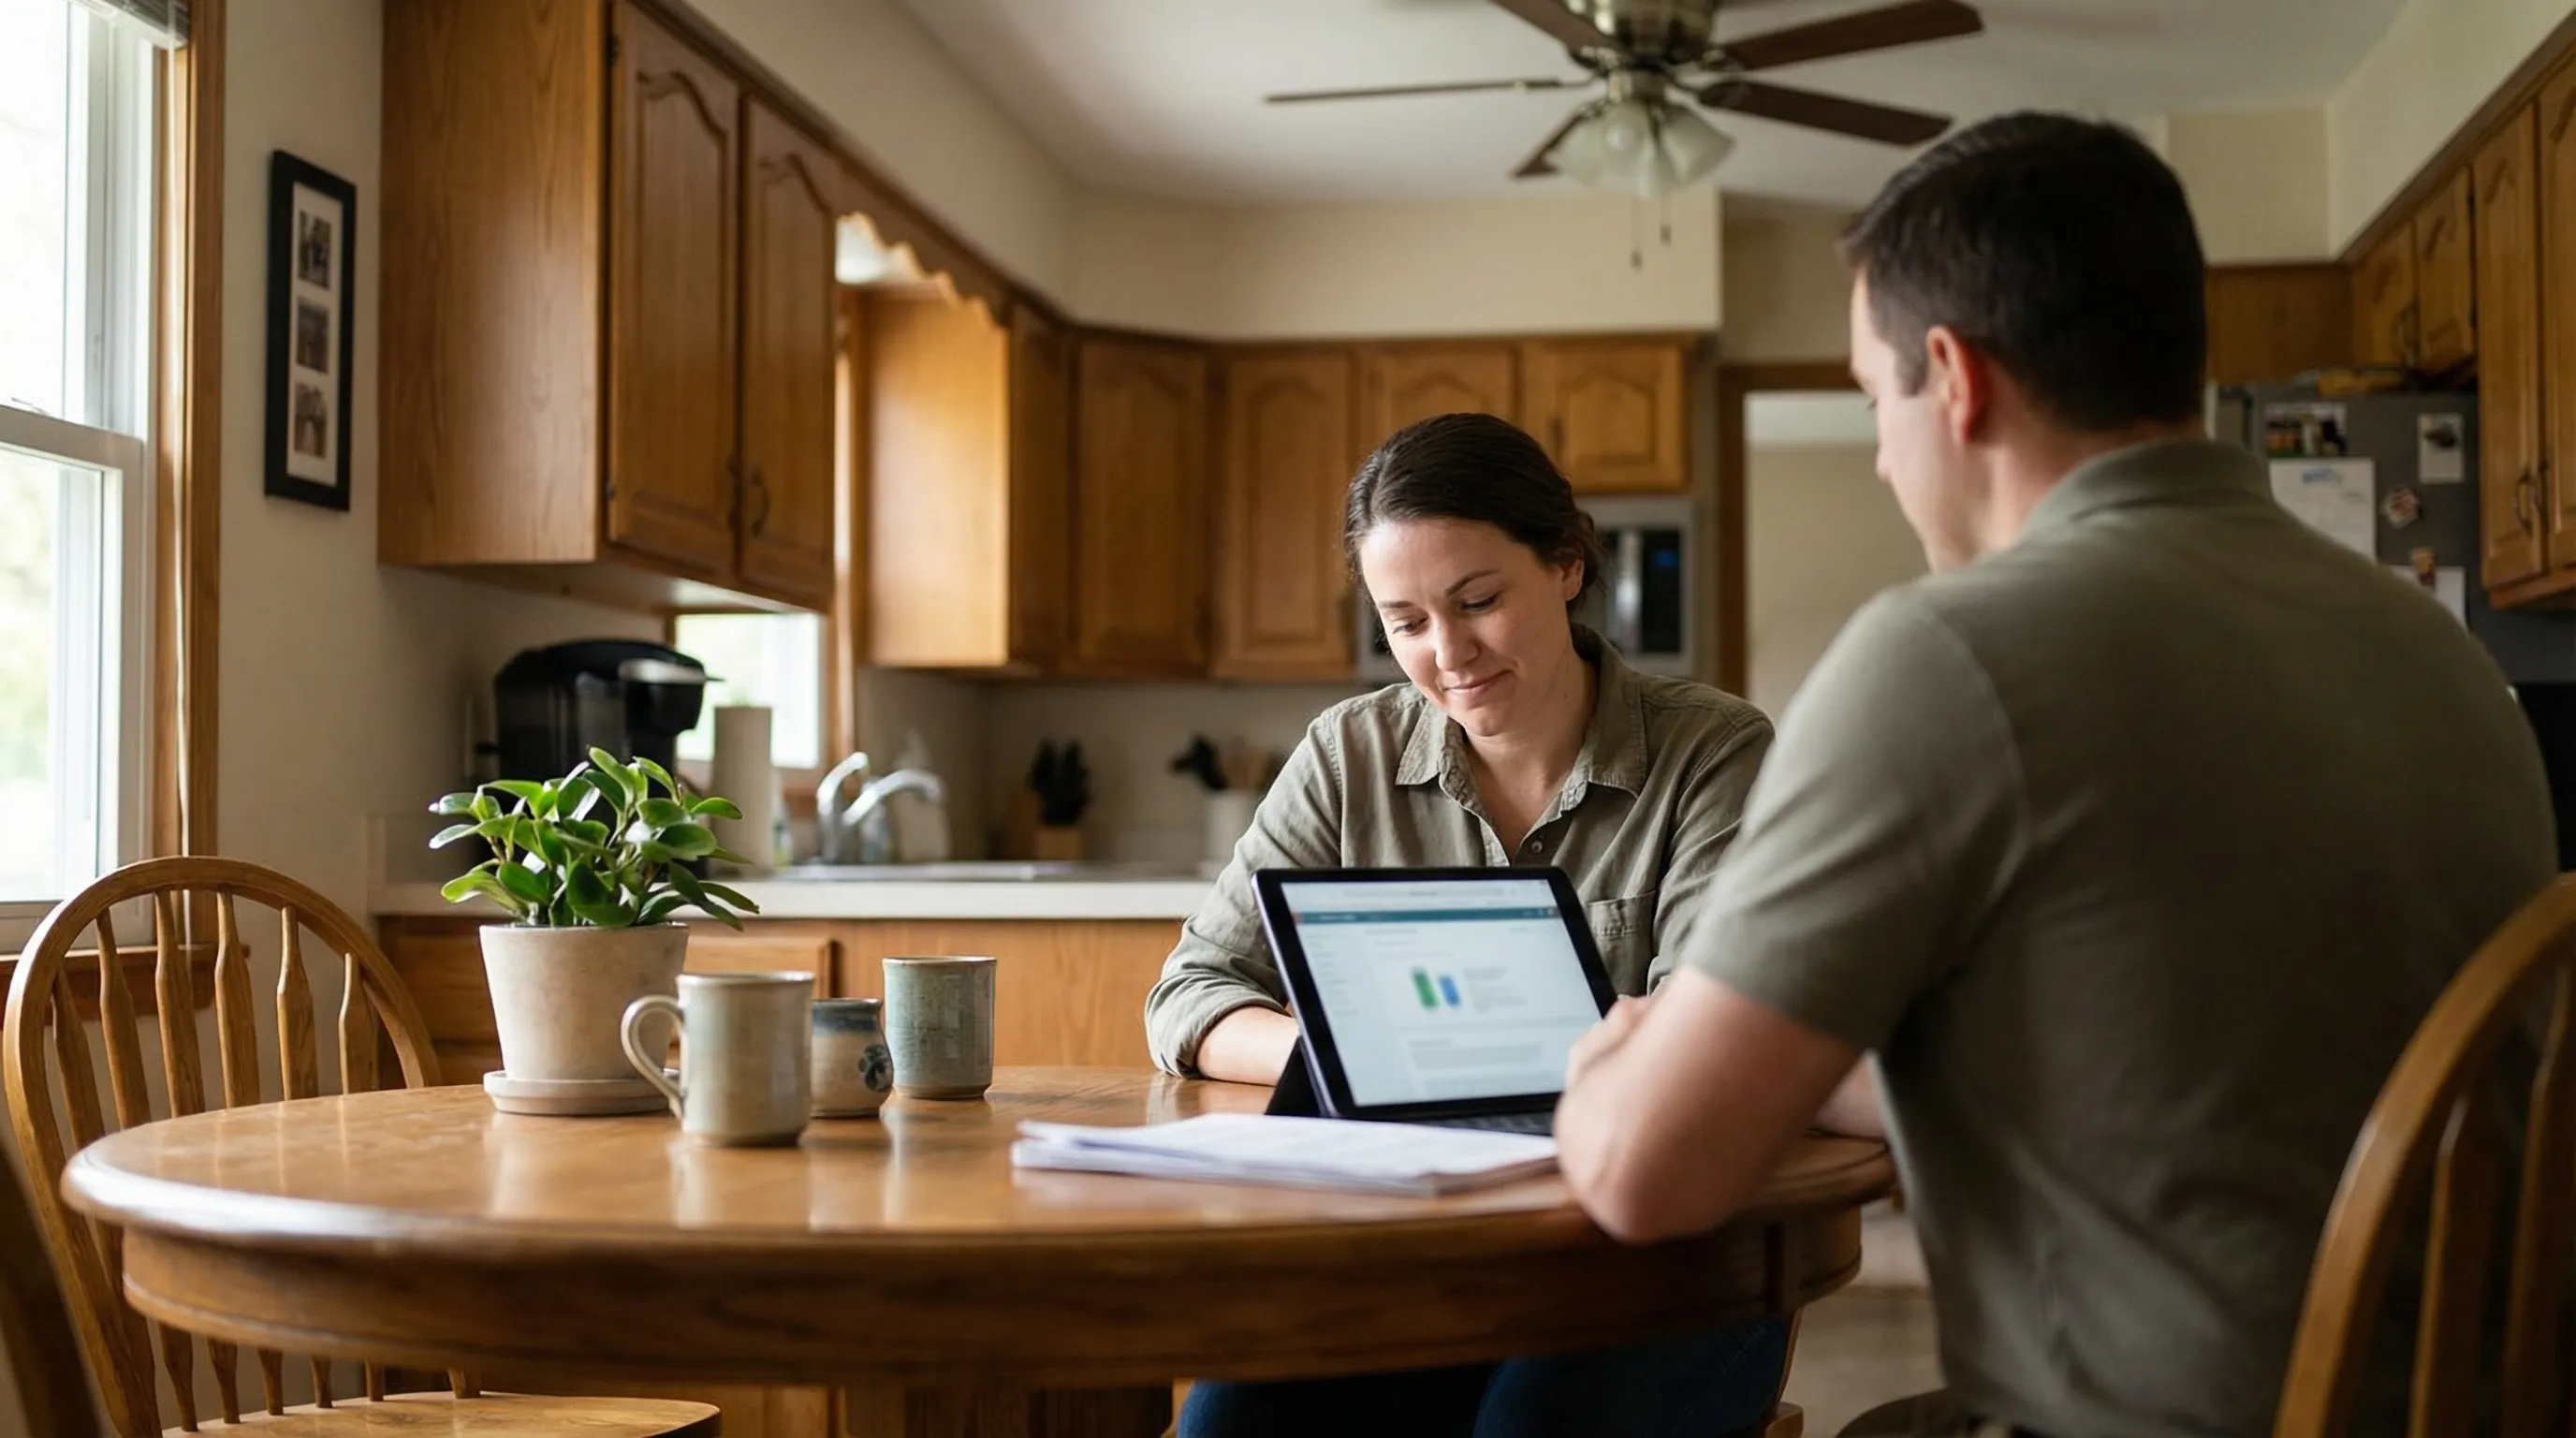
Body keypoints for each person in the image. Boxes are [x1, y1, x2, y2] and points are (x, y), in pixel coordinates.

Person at [1550, 111, 2556, 1438]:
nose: (1878, 450)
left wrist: (1619, 1061)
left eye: (1873, 399)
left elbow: (1641, 1176)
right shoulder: (2428, 646)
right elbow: (2177, 1070)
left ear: (1955, 379)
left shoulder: (1948, 655)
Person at [1146, 412, 1784, 1438]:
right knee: (1227, 1427)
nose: (1447, 655)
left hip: (1664, 1267)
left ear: (1567, 566)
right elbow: (1192, 992)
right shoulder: (1347, 754)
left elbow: (1707, 1046)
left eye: (1478, 601)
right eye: (1404, 622)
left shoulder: (1715, 755)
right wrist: (1355, 1049)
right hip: (1403, 1261)